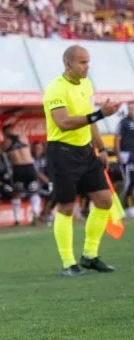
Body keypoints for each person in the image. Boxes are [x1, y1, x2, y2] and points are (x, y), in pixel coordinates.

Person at [42, 45, 120, 276]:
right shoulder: (55, 89)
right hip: (62, 153)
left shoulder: (86, 85)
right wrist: (99, 114)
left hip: (86, 152)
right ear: (68, 64)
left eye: (88, 62)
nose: (87, 66)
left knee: (104, 200)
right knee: (66, 207)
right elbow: (63, 122)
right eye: (82, 62)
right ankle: (68, 263)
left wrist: (101, 148)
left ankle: (90, 255)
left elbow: (90, 121)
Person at [0, 124, 43, 226]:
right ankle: (35, 214)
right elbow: (30, 151)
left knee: (16, 193)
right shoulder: (23, 137)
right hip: (30, 166)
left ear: (4, 132)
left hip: (18, 168)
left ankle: (17, 219)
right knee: (34, 192)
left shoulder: (5, 142)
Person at [114, 102, 134, 204]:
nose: (132, 111)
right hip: (125, 155)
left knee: (132, 181)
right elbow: (117, 139)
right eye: (130, 109)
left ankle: (128, 204)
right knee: (128, 181)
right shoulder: (123, 122)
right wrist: (118, 155)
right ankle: (121, 204)